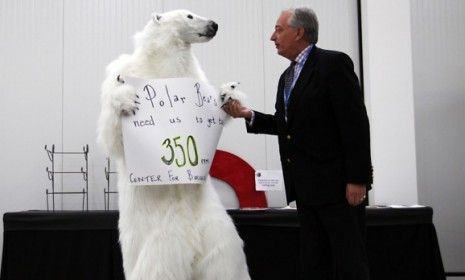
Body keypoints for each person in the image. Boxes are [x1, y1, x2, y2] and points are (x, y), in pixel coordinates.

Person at [222, 7, 373, 280]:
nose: (272, 37)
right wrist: (249, 115)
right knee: (314, 263)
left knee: (348, 262)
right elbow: (287, 126)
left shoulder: (333, 64)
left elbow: (355, 124)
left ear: (299, 32)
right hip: (305, 189)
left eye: (279, 29)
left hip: (338, 188)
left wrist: (358, 178)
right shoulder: (287, 77)